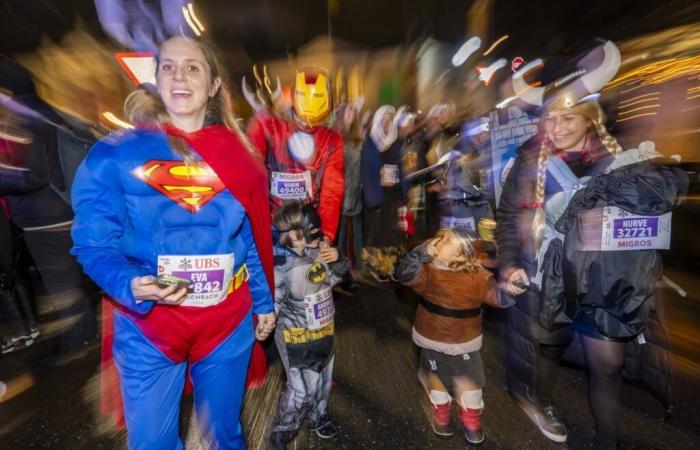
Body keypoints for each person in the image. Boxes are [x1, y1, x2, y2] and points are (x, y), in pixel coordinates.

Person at [70, 36, 276, 449]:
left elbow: (251, 235)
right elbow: (93, 243)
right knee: (150, 443)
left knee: (225, 435)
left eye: (194, 67)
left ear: (215, 84)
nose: (180, 76)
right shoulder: (114, 156)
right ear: (156, 79)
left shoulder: (242, 157)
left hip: (226, 320)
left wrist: (263, 300)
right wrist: (128, 282)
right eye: (168, 66)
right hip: (151, 323)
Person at [497, 40, 688, 448]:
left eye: (570, 118)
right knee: (549, 348)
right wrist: (510, 264)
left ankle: (608, 442)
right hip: (551, 281)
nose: (560, 127)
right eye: (552, 119)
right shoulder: (529, 163)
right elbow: (509, 220)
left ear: (590, 118)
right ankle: (542, 401)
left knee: (607, 365)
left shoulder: (623, 160)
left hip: (606, 285)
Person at [0, 58, 96, 363]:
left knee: (59, 282)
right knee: (67, 280)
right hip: (61, 209)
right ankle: (86, 332)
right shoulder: (45, 110)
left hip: (43, 217)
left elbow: (33, 175)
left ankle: (74, 341)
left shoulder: (21, 118)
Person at [394, 229, 506, 445]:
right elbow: (403, 275)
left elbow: (497, 296)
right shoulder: (427, 271)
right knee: (436, 379)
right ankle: (441, 411)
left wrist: (510, 289)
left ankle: (471, 418)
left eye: (446, 241)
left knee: (470, 382)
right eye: (442, 236)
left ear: (458, 256)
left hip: (464, 343)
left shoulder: (477, 275)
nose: (438, 240)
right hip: (431, 337)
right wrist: (419, 254)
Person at [268, 201, 349, 449]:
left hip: (323, 329)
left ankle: (318, 416)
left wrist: (338, 260)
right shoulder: (280, 266)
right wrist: (263, 325)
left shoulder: (315, 251)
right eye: (312, 232)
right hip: (296, 337)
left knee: (323, 378)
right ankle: (281, 435)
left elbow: (329, 281)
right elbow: (271, 308)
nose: (319, 236)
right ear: (293, 234)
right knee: (300, 391)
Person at [246, 66, 345, 243]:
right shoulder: (270, 125)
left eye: (317, 96)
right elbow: (251, 172)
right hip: (273, 225)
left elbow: (331, 192)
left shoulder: (331, 140)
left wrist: (327, 235)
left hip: (307, 226)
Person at [360, 106, 408, 281]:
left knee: (391, 234)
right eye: (384, 120)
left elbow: (401, 169)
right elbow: (366, 172)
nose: (387, 123)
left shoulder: (395, 143)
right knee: (376, 234)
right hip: (376, 197)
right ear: (378, 121)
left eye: (390, 120)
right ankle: (377, 268)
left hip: (392, 196)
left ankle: (390, 267)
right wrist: (375, 189)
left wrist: (403, 190)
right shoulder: (370, 143)